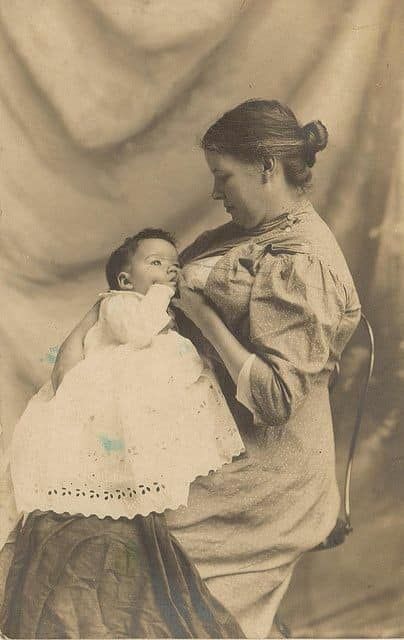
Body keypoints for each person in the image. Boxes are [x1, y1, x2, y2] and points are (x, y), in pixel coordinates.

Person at [24, 98, 361, 639]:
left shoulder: (304, 261)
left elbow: (275, 398)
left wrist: (202, 316)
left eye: (223, 176)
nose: (214, 192)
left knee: (96, 536)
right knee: (58, 496)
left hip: (263, 466)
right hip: (196, 423)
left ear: (266, 168)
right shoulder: (246, 232)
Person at [0, 228, 245, 639]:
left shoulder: (155, 308)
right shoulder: (120, 304)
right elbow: (138, 333)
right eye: (155, 263)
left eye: (173, 264)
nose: (169, 270)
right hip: (109, 392)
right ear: (125, 280)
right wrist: (166, 295)